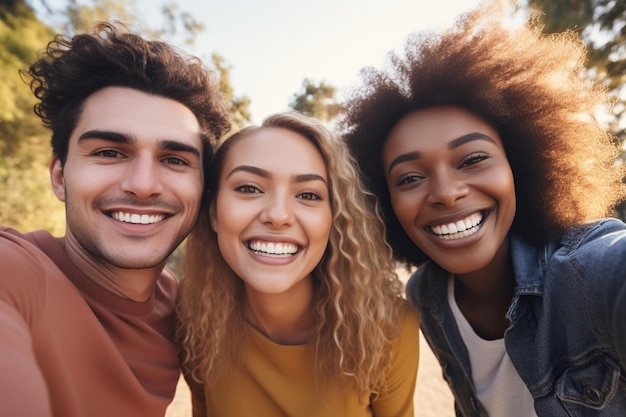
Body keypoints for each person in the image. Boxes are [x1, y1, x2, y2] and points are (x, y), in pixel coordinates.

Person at [341, 1, 626, 416]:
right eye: (409, 178)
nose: (445, 192)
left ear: (522, 165)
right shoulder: (427, 297)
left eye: (473, 159)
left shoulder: (591, 272)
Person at [0, 22, 230, 417]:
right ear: (60, 177)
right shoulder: (17, 271)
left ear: (204, 191)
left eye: (174, 160)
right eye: (109, 152)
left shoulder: (187, 311)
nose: (143, 186)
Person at [176, 111, 420, 417]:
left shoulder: (389, 328)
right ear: (213, 211)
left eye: (308, 194)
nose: (278, 215)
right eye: (249, 188)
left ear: (335, 219)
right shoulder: (193, 320)